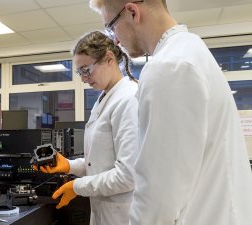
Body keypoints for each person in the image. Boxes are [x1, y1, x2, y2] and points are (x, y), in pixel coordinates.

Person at [89, 0, 252, 225]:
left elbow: (157, 197)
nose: (114, 39)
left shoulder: (167, 67)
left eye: (111, 27)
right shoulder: (190, 49)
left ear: (132, 11)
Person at [34, 30, 140, 225]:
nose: (83, 79)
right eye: (79, 72)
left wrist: (77, 186)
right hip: (104, 212)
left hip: (124, 215)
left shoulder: (128, 100)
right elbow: (101, 163)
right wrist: (70, 165)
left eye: (86, 70)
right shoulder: (104, 98)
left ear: (109, 59)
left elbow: (128, 175)